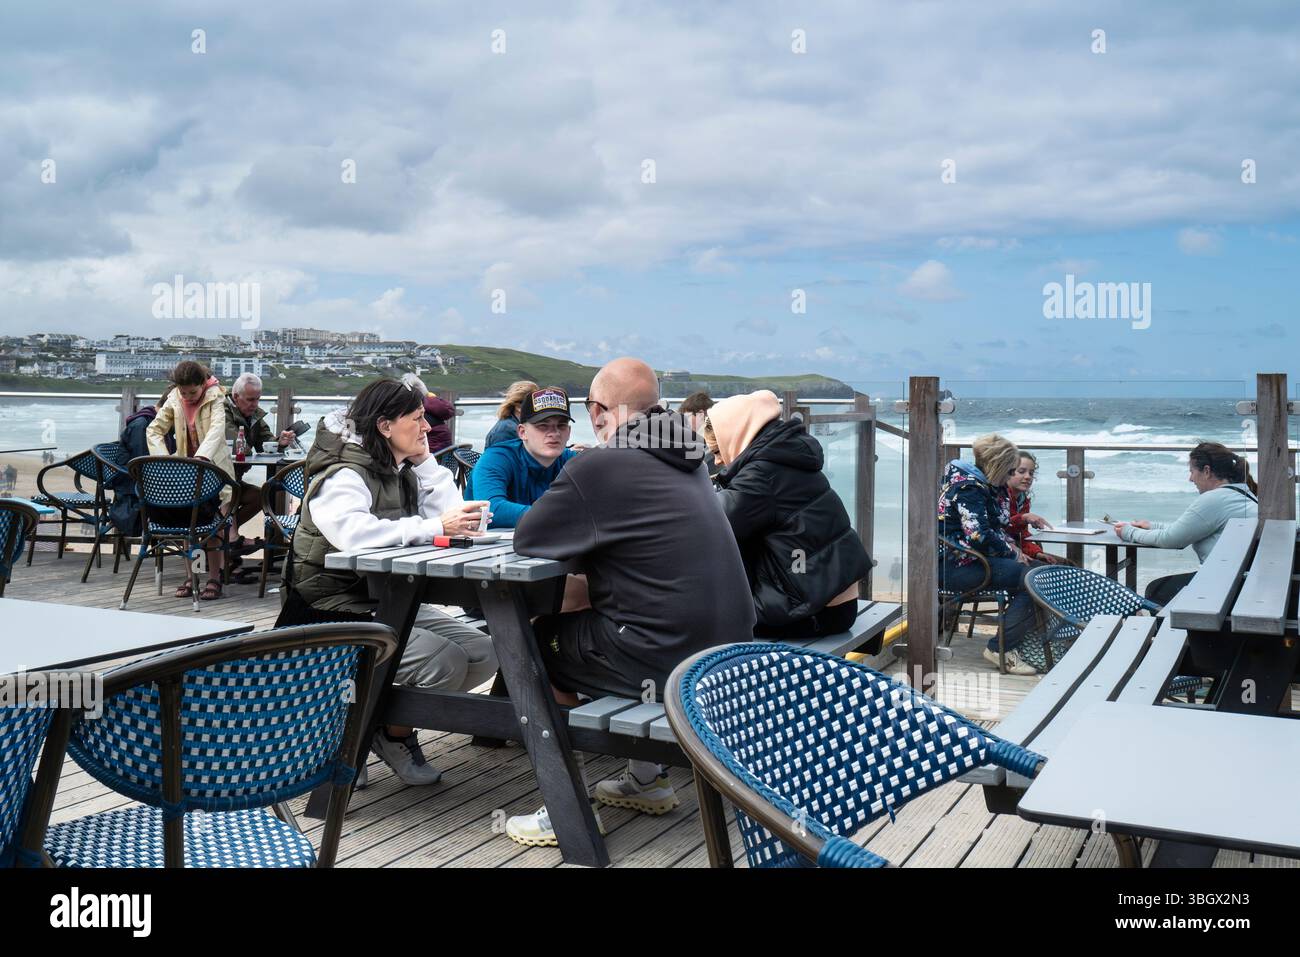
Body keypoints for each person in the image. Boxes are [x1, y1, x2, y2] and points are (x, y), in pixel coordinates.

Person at [502, 357, 755, 847]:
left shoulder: (602, 463)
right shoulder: (689, 459)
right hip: (726, 652)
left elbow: (530, 536)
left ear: (598, 412)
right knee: (597, 620)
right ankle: (647, 780)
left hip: (666, 659)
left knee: (535, 642)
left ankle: (564, 809)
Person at [277, 377, 496, 786]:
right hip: (330, 606)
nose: (427, 427)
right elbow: (353, 535)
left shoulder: (403, 468)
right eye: (417, 419)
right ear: (384, 426)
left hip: (390, 597)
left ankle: (381, 731)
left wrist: (428, 465)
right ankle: (347, 739)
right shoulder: (343, 472)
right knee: (442, 662)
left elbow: (462, 516)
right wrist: (432, 526)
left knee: (485, 651)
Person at [702, 390, 871, 643]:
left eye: (718, 451)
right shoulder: (785, 455)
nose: (717, 461)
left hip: (812, 612)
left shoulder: (760, 474)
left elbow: (711, 526)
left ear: (735, 437)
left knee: (698, 617)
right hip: (834, 604)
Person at [938, 434, 1040, 675]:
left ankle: (1014, 642)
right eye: (1010, 471)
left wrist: (1013, 549)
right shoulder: (969, 488)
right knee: (1032, 579)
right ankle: (1001, 649)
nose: (1010, 476)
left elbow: (995, 526)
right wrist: (1012, 553)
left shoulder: (980, 484)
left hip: (968, 561)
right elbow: (978, 535)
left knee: (1038, 572)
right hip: (954, 567)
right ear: (998, 466)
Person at [1115, 441, 1259, 606]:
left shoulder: (1215, 499)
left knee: (1156, 590)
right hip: (1241, 580)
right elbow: (1185, 530)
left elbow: (1171, 540)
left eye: (1192, 471)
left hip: (1225, 585)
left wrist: (1128, 532)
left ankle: (1174, 632)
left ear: (1206, 471)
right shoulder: (1243, 494)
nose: (1190, 479)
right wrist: (1153, 526)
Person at [146, 361, 236, 601]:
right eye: (183, 392)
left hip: (213, 469)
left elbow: (218, 429)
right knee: (189, 527)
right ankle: (192, 576)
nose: (188, 397)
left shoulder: (216, 396)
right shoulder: (175, 397)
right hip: (186, 472)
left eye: (192, 392)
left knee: (214, 527)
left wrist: (201, 458)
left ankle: (214, 578)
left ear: (202, 385)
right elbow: (154, 430)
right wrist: (164, 460)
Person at [464, 386, 578, 528]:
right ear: (522, 432)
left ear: (569, 432)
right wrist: (562, 516)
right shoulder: (496, 458)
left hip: (547, 542)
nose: (554, 433)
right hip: (482, 548)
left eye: (561, 425)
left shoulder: (574, 462)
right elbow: (491, 509)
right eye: (543, 426)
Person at [224, 372, 297, 579]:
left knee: (259, 497)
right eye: (250, 399)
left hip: (234, 481)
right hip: (218, 480)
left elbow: (265, 443)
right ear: (236, 397)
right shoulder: (222, 411)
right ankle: (227, 540)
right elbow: (239, 446)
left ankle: (222, 534)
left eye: (258, 399)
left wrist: (280, 441)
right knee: (229, 496)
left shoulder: (254, 414)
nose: (254, 404)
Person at [1001, 451, 1072, 566]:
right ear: (1007, 473)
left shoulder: (1022, 499)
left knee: (1066, 564)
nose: (1028, 477)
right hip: (1005, 553)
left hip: (1019, 550)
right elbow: (1000, 530)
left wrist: (1037, 553)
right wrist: (1023, 518)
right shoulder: (1000, 496)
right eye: (1021, 471)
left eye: (1031, 473)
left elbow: (1022, 535)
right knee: (1057, 570)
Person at [401, 373, 456, 453]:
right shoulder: (434, 402)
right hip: (447, 455)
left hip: (431, 455)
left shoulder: (414, 409)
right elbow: (449, 411)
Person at [485, 380, 540, 448]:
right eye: (536, 403)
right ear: (518, 406)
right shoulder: (505, 431)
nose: (539, 407)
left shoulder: (519, 424)